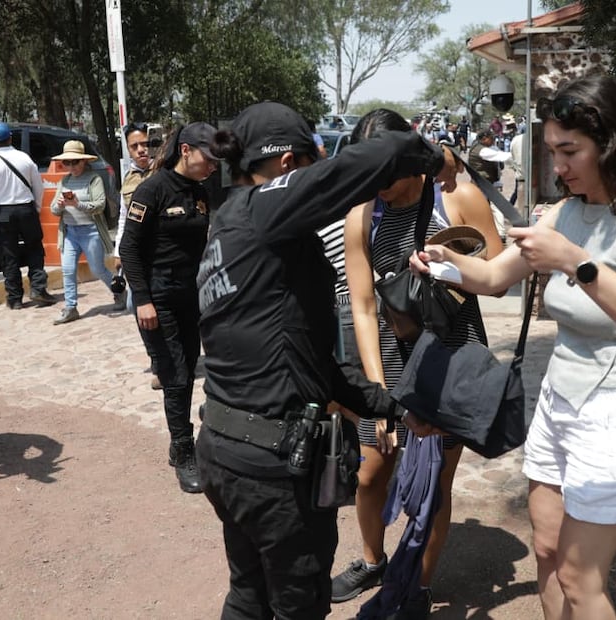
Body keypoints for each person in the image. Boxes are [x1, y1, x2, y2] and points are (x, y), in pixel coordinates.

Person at [409, 73, 616, 620]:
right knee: (545, 552)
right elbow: (491, 278)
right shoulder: (566, 212)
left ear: (610, 144)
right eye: (551, 150)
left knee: (582, 581)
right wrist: (443, 262)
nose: (557, 165)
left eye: (569, 151)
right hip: (558, 404)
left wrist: (574, 262)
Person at [193, 101, 461, 620]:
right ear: (290, 166)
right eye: (314, 163)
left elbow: (311, 361)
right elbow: (377, 154)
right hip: (270, 471)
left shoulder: (232, 226)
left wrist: (394, 405)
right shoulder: (260, 211)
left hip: (228, 454)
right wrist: (431, 155)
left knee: (248, 596)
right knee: (298, 607)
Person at [334, 108, 504, 618]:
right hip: (386, 355)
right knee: (371, 472)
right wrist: (378, 392)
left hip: (451, 356)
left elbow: (500, 272)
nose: (380, 187)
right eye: (370, 177)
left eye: (387, 176)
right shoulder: (362, 214)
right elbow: (363, 306)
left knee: (435, 485)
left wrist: (450, 262)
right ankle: (372, 559)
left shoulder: (457, 197)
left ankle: (420, 587)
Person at [118, 121, 220, 493]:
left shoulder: (200, 191)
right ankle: (183, 449)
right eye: (208, 158)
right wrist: (143, 299)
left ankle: (182, 444)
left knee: (188, 369)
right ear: (187, 151)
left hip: (190, 296)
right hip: (157, 297)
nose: (213, 166)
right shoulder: (152, 189)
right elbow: (128, 248)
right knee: (175, 376)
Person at [0, 122, 56, 310]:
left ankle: (14, 298)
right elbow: (38, 186)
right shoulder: (24, 158)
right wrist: (35, 208)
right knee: (35, 249)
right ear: (10, 138)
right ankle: (38, 289)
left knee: (8, 255)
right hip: (26, 209)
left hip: (2, 213)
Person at [48, 140, 120, 324]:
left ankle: (119, 292)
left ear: (84, 161)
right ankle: (71, 307)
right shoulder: (65, 180)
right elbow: (53, 210)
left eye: (75, 162)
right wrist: (60, 205)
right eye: (67, 162)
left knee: (98, 269)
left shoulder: (94, 179)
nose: (71, 166)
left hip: (90, 232)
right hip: (69, 232)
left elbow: (99, 205)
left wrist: (77, 204)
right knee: (68, 270)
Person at [113, 122, 160, 386]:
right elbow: (123, 217)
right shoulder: (129, 179)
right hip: (136, 253)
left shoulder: (164, 172)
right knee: (135, 305)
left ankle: (171, 358)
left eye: (145, 144)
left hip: (163, 251)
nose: (141, 150)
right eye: (135, 146)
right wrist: (118, 248)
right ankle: (156, 358)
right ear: (128, 149)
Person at [468, 129, 512, 239]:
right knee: (485, 207)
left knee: (492, 207)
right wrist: (516, 153)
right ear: (484, 138)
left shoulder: (481, 148)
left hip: (486, 182)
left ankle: (498, 232)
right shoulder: (481, 150)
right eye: (491, 138)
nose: (493, 141)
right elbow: (499, 156)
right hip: (482, 184)